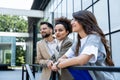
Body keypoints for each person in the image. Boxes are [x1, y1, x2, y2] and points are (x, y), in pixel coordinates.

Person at [52, 10, 115, 80]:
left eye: (75, 20)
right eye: (72, 20)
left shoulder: (94, 37)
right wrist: (62, 62)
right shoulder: (78, 42)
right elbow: (63, 57)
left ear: (84, 21)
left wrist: (58, 65)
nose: (72, 22)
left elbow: (82, 60)